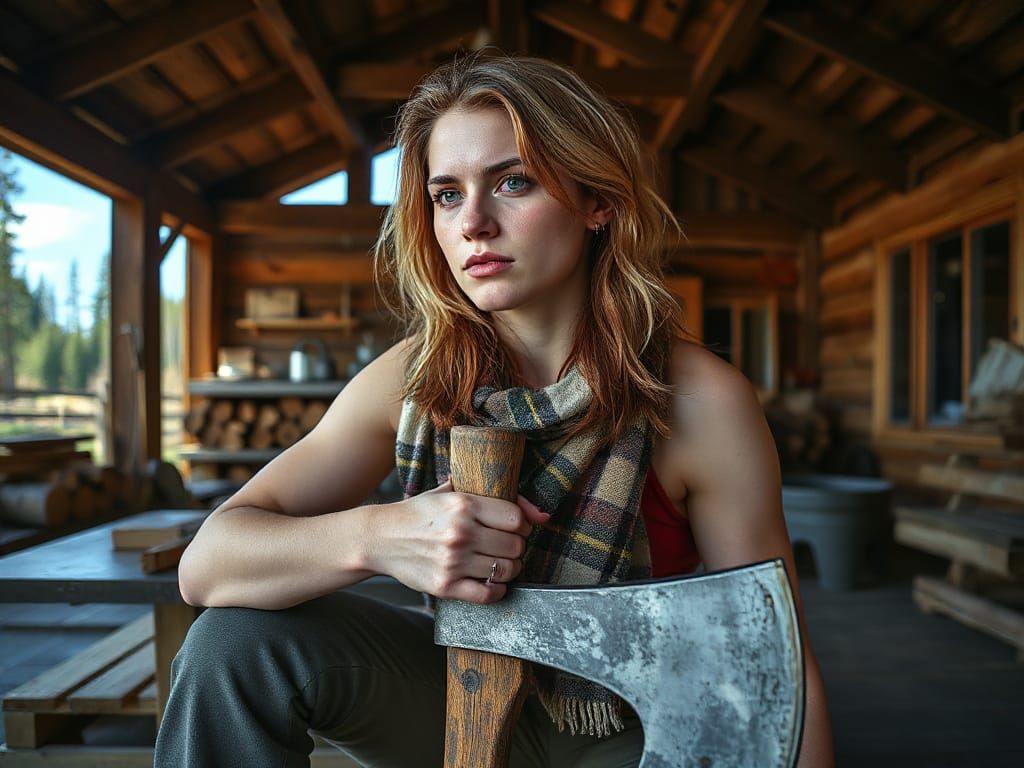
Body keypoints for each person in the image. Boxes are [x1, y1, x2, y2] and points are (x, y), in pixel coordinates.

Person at [155, 54, 834, 768]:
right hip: (454, 693)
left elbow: (777, 662)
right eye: (447, 195)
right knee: (232, 645)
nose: (474, 222)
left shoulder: (697, 402)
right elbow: (208, 565)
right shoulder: (408, 383)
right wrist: (378, 538)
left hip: (634, 721)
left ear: (597, 201)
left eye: (513, 182)